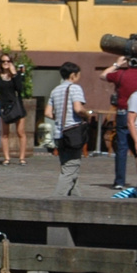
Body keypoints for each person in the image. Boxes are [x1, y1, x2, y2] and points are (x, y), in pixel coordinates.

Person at [102, 55, 137, 189]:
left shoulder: (121, 74)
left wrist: (117, 64)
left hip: (123, 112)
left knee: (121, 148)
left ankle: (119, 181)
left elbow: (103, 75)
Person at [45, 62, 90, 197]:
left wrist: (59, 117)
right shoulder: (75, 88)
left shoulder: (55, 90)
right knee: (69, 171)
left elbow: (47, 113)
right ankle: (55, 202)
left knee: (69, 169)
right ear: (73, 75)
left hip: (59, 134)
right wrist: (87, 114)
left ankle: (78, 203)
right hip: (73, 134)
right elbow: (78, 108)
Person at [0, 52, 28, 164]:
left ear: (11, 63)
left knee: (21, 132)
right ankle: (6, 158)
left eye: (8, 61)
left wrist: (15, 74)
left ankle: (22, 158)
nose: (5, 63)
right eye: (3, 61)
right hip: (5, 106)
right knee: (5, 133)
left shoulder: (16, 75)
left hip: (17, 105)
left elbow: (19, 89)